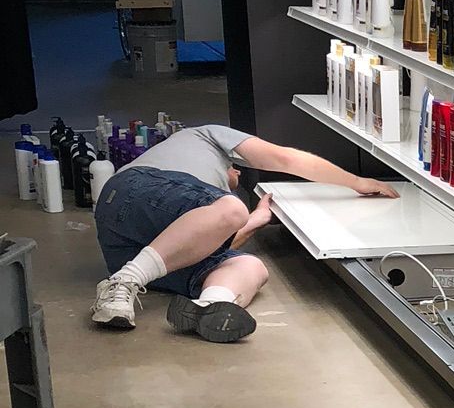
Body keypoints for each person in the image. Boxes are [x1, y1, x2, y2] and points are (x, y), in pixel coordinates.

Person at [91, 123, 398, 343]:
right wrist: (356, 182)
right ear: (232, 166)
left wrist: (256, 219)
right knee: (232, 208)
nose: (237, 174)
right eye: (237, 171)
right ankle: (125, 280)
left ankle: (208, 307)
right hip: (134, 189)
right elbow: (285, 159)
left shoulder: (208, 210)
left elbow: (204, 245)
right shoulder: (205, 135)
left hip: (141, 248)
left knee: (250, 266)